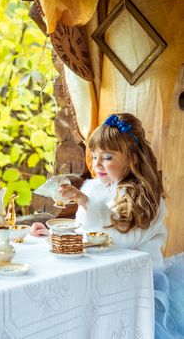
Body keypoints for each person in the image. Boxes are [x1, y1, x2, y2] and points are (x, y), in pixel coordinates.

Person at [30, 113, 184, 339]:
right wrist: (55, 234)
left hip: (134, 286)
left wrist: (84, 202)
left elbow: (120, 241)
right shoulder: (98, 190)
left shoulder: (146, 199)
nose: (97, 164)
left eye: (107, 157)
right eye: (93, 157)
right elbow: (84, 231)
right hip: (105, 277)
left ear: (131, 159)